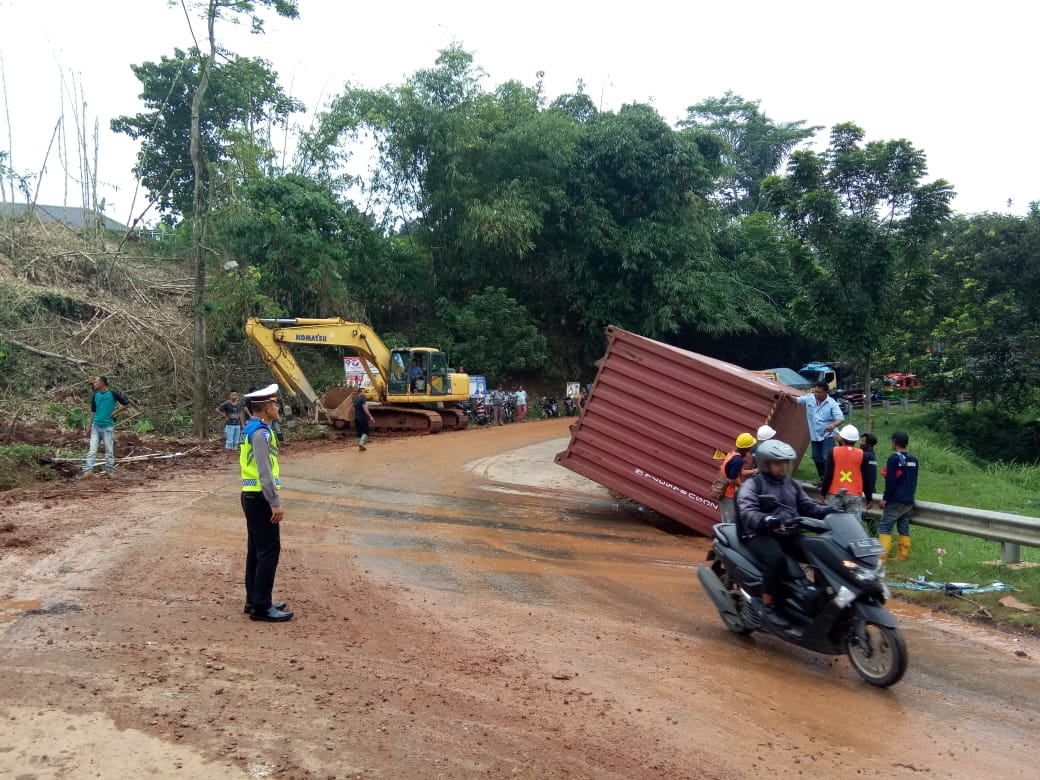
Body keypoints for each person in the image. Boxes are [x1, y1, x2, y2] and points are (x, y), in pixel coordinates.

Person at [736, 439, 835, 630]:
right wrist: (766, 520)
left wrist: (831, 511)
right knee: (777, 560)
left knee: (820, 552)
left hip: (788, 533)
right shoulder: (753, 486)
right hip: (759, 534)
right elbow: (747, 512)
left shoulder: (791, 485)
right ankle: (768, 606)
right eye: (778, 463)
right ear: (765, 463)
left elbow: (808, 506)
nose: (782, 467)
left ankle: (821, 598)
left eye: (785, 463)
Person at [240, 383, 293, 622]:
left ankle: (254, 599)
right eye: (275, 404)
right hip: (261, 498)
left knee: (256, 550)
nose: (278, 407)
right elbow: (265, 472)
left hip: (252, 496)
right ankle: (262, 605)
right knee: (269, 551)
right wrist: (275, 502)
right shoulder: (261, 433)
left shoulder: (251, 428)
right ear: (268, 407)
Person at [878, 430, 919, 561]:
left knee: (885, 527)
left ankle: (881, 557)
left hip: (895, 500)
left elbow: (891, 481)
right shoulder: (914, 460)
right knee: (903, 528)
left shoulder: (894, 458)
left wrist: (885, 498)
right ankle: (902, 556)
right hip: (908, 500)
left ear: (894, 442)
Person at [821, 424, 872, 521]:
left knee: (834, 525)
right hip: (854, 495)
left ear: (842, 438)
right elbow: (866, 478)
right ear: (856, 440)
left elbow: (828, 474)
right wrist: (869, 498)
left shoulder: (833, 451)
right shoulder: (863, 455)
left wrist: (823, 492)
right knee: (854, 527)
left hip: (836, 494)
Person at [81, 376, 130, 475]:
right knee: (92, 450)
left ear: (103, 383)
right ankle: (87, 470)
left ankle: (110, 470)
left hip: (107, 427)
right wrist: (89, 426)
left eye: (96, 382)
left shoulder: (112, 394)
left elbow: (126, 404)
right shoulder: (95, 395)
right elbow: (93, 412)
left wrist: (115, 412)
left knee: (109, 451)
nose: (94, 384)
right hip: (96, 426)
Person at [795, 381, 845, 480]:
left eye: (819, 392)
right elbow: (796, 400)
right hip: (815, 435)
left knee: (827, 457)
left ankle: (831, 480)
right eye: (815, 392)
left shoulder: (831, 403)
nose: (816, 394)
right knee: (816, 457)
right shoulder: (809, 398)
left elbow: (840, 419)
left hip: (828, 435)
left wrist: (832, 425)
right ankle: (823, 479)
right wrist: (785, 396)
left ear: (826, 392)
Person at [717, 433, 758, 523]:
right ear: (748, 448)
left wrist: (754, 471)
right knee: (730, 522)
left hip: (724, 492)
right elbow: (732, 479)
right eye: (751, 445)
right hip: (728, 494)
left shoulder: (732, 454)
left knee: (727, 520)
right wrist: (743, 486)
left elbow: (740, 472)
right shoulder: (738, 460)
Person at [860, 432, 880, 535]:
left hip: (864, 489)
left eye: (863, 442)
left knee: (864, 515)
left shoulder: (865, 455)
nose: (860, 443)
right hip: (871, 489)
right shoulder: (872, 455)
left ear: (869, 444)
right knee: (870, 517)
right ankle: (873, 534)